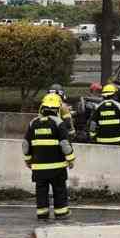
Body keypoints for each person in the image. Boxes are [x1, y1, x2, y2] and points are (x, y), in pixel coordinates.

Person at [23, 93, 75, 221]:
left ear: (42, 107)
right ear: (57, 108)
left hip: (38, 168)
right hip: (57, 168)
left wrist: (28, 160)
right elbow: (65, 144)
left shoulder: (33, 123)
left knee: (41, 191)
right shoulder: (58, 123)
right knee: (59, 190)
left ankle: (42, 213)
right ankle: (61, 213)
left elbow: (26, 144)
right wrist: (71, 159)